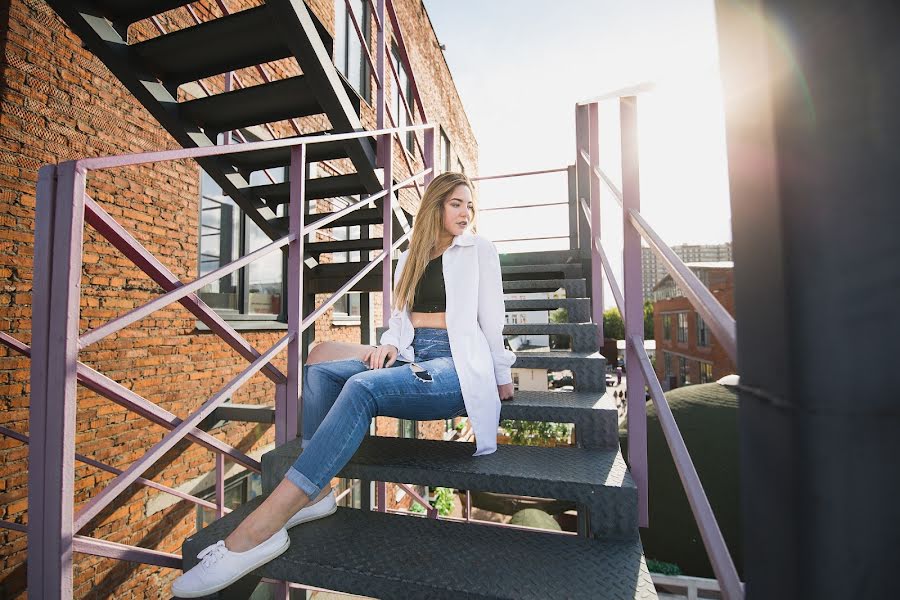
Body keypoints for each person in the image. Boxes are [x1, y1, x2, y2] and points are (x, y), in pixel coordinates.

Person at [172, 172, 517, 597]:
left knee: (362, 388)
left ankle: (260, 530)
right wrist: (389, 346)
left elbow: (493, 317)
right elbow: (399, 321)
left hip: (457, 364)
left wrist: (501, 375)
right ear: (436, 206)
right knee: (318, 372)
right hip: (413, 353)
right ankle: (315, 496)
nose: (466, 213)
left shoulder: (480, 250)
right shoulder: (412, 255)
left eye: (470, 205)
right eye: (457, 204)